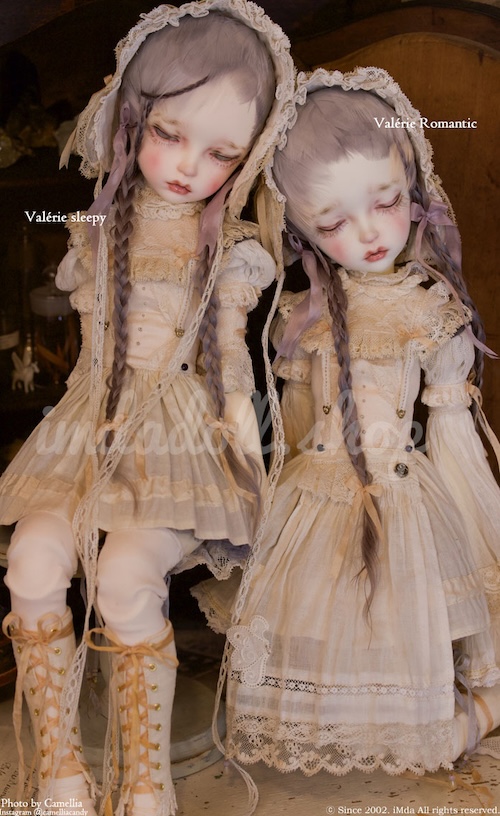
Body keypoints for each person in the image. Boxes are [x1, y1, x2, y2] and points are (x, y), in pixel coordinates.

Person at [0, 2, 295, 814]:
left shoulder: (232, 251)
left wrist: (251, 477)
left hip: (180, 437)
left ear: (249, 156)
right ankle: (62, 771)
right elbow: (85, 365)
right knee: (32, 562)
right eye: (169, 133)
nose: (189, 166)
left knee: (129, 574)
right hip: (91, 423)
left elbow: (231, 369)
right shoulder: (92, 236)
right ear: (134, 118)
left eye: (221, 152)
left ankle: (146, 784)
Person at [222, 67, 500, 781]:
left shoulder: (429, 311)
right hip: (315, 491)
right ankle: (346, 720)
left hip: (401, 493)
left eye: (386, 201)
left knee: (401, 620)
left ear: (415, 188)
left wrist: (480, 530)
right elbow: (292, 422)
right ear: (300, 231)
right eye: (334, 223)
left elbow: (455, 439)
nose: (371, 233)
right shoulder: (303, 319)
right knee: (319, 613)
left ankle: (464, 712)